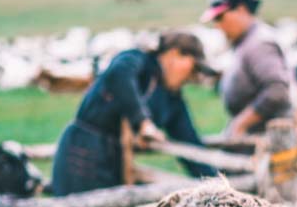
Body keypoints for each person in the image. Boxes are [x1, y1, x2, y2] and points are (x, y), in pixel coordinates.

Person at [51, 31, 216, 195]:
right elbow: (119, 74)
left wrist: (217, 186)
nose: (193, 75)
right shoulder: (138, 61)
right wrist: (143, 122)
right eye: (193, 67)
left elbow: (190, 145)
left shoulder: (172, 101)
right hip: (82, 153)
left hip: (116, 161)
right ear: (174, 54)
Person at [201, 0, 297, 139]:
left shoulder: (259, 44)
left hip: (269, 142)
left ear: (241, 10)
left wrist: (241, 124)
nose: (217, 26)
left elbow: (277, 90)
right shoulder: (246, 42)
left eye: (220, 18)